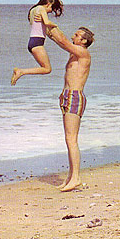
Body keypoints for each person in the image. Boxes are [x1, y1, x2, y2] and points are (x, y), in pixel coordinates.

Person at [46, 25, 94, 192]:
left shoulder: (83, 53)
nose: (73, 36)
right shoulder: (74, 53)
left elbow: (63, 41)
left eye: (77, 35)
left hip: (74, 96)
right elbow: (60, 41)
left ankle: (76, 178)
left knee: (71, 138)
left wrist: (48, 24)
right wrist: (48, 31)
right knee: (69, 139)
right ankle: (71, 177)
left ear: (83, 41)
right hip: (66, 96)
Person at [11, 0, 64, 85]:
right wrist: (56, 25)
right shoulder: (41, 9)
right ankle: (21, 71)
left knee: (46, 68)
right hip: (37, 43)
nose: (50, 11)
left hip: (33, 42)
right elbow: (47, 22)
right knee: (47, 69)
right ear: (48, 4)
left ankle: (21, 71)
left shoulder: (33, 10)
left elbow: (41, 27)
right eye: (51, 8)